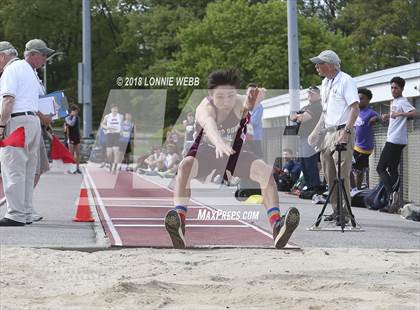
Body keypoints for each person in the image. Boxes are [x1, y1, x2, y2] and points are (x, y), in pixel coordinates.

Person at [164, 69, 300, 249]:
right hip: (207, 150)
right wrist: (219, 142)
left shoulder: (239, 102)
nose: (226, 101)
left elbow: (250, 102)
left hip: (235, 152)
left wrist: (254, 99)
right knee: (185, 166)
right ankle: (179, 221)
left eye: (230, 95)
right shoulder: (204, 108)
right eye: (220, 97)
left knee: (265, 172)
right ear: (211, 95)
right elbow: (209, 124)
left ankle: (276, 225)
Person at [0, 40, 52, 226]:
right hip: (32, 122)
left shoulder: (10, 70)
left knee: (12, 167)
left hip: (17, 121)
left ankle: (15, 214)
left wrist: (1, 126)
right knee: (28, 169)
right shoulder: (29, 71)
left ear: (3, 56)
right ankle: (26, 211)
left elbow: (8, 100)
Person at [308, 50, 360, 226]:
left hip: (341, 131)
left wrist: (346, 132)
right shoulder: (324, 83)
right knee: (329, 175)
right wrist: (315, 132)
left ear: (330, 65)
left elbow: (355, 108)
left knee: (342, 174)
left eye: (319, 63)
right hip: (328, 133)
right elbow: (325, 113)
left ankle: (345, 213)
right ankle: (336, 211)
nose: (316, 66)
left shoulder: (346, 80)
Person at [377, 77, 416, 213]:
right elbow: (396, 117)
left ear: (402, 89)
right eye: (392, 87)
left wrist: (400, 113)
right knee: (392, 169)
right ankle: (393, 202)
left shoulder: (403, 101)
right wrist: (388, 116)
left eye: (396, 88)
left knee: (381, 167)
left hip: (395, 140)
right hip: (393, 138)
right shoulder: (395, 101)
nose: (393, 90)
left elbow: (415, 112)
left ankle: (392, 194)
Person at [290, 86, 322, 192]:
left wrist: (299, 116)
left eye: (312, 93)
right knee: (303, 163)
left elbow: (303, 118)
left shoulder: (317, 106)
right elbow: (291, 117)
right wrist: (298, 116)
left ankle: (314, 187)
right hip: (302, 138)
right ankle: (309, 186)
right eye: (309, 93)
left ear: (318, 95)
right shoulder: (307, 106)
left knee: (310, 164)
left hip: (310, 138)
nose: (309, 95)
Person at [351, 88, 379, 189]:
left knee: (357, 169)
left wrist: (376, 119)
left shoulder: (370, 112)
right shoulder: (356, 111)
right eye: (357, 99)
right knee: (353, 168)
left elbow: (379, 117)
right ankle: (355, 188)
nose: (359, 101)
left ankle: (356, 189)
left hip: (364, 147)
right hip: (355, 145)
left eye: (361, 99)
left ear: (368, 100)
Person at [101, 104, 123, 173]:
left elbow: (122, 125)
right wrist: (107, 127)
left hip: (117, 135)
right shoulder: (107, 116)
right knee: (109, 153)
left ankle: (115, 167)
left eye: (116, 108)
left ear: (117, 109)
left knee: (116, 151)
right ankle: (110, 165)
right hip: (109, 135)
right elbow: (102, 124)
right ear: (111, 109)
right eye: (113, 108)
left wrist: (121, 131)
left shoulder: (120, 116)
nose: (115, 110)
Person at [65, 105, 82, 174]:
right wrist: (74, 116)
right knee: (71, 153)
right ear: (71, 111)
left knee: (78, 153)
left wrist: (80, 136)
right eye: (75, 111)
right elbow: (71, 124)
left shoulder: (78, 118)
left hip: (76, 136)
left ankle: (77, 168)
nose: (76, 113)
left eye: (77, 111)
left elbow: (78, 127)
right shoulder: (67, 118)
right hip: (70, 137)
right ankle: (70, 168)